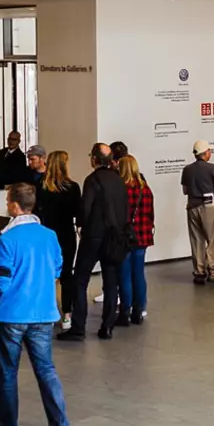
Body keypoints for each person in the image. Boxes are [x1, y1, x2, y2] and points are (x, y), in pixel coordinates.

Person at [0, 184, 71, 426]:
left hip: (12, 314)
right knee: (46, 369)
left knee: (9, 371)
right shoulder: (50, 235)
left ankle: (8, 425)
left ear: (13, 205)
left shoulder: (7, 239)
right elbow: (57, 268)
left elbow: (4, 283)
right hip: (44, 313)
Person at [65, 144, 128, 340]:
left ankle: (78, 327)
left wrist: (80, 224)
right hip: (114, 236)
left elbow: (86, 208)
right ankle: (107, 326)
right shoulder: (119, 180)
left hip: (94, 235)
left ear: (94, 159)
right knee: (111, 281)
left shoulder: (92, 180)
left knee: (80, 280)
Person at [37, 149, 82, 314]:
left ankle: (46, 309)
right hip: (66, 233)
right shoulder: (73, 187)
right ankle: (67, 313)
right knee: (66, 273)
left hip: (46, 233)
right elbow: (78, 213)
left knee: (46, 273)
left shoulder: (41, 186)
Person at [181, 140, 214, 286]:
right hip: (209, 206)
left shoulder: (187, 169)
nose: (210, 153)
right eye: (209, 151)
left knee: (196, 240)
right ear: (205, 153)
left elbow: (185, 191)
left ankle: (199, 272)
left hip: (192, 207)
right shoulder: (212, 168)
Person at [117, 154, 153, 325]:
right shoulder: (145, 189)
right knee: (138, 273)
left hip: (125, 237)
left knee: (124, 275)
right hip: (142, 235)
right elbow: (150, 214)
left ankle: (125, 309)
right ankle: (139, 309)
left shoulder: (120, 189)